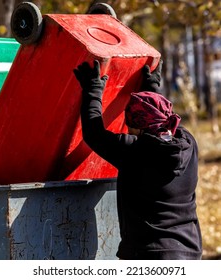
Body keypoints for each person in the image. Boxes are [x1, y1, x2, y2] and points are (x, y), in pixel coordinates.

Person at [73, 59, 202, 260]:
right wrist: (151, 88)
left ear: (139, 129)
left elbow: (93, 134)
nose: (127, 131)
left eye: (130, 126)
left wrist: (93, 90)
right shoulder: (188, 143)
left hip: (147, 254)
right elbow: (161, 117)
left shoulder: (136, 150)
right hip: (188, 251)